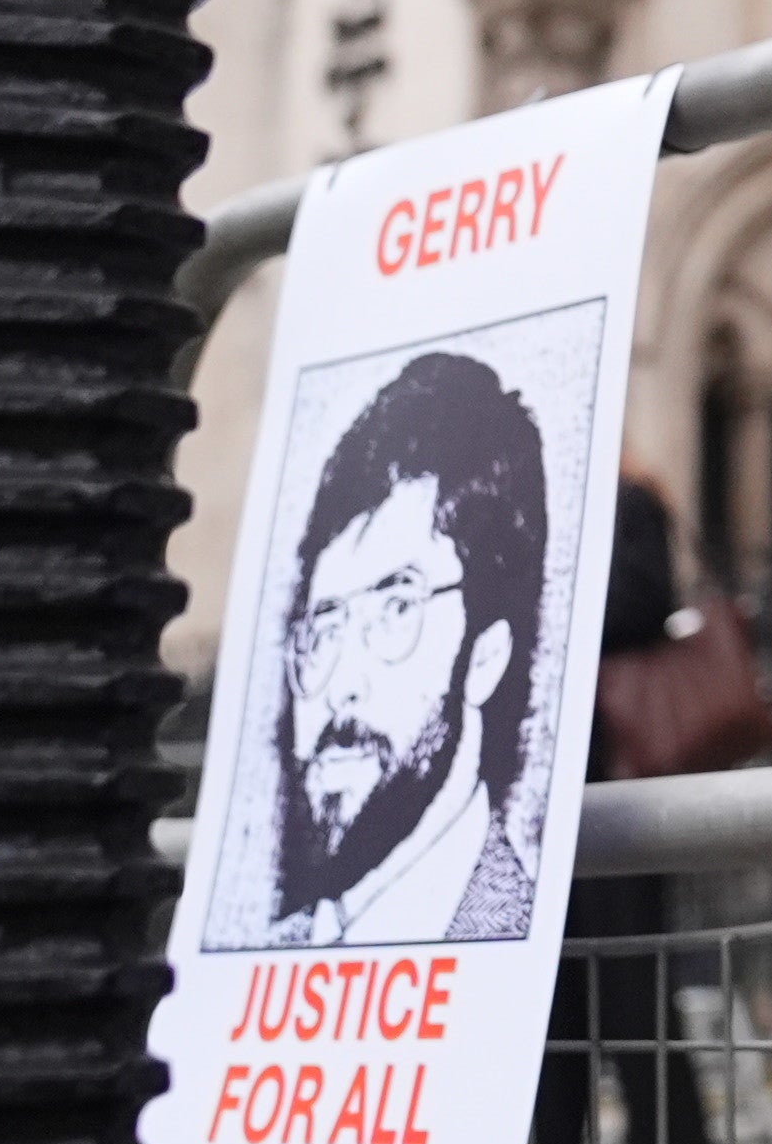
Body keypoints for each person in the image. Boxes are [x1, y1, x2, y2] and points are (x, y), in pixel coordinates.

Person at [229, 347, 557, 955]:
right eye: (325, 628)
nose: (341, 686)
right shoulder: (271, 957)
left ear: (485, 656)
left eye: (396, 609)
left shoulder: (532, 945)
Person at [487, 475, 738, 1144]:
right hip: (533, 783)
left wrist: (538, 598)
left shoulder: (624, 498)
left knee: (634, 994)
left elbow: (642, 601)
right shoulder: (512, 501)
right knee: (548, 1000)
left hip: (616, 782)